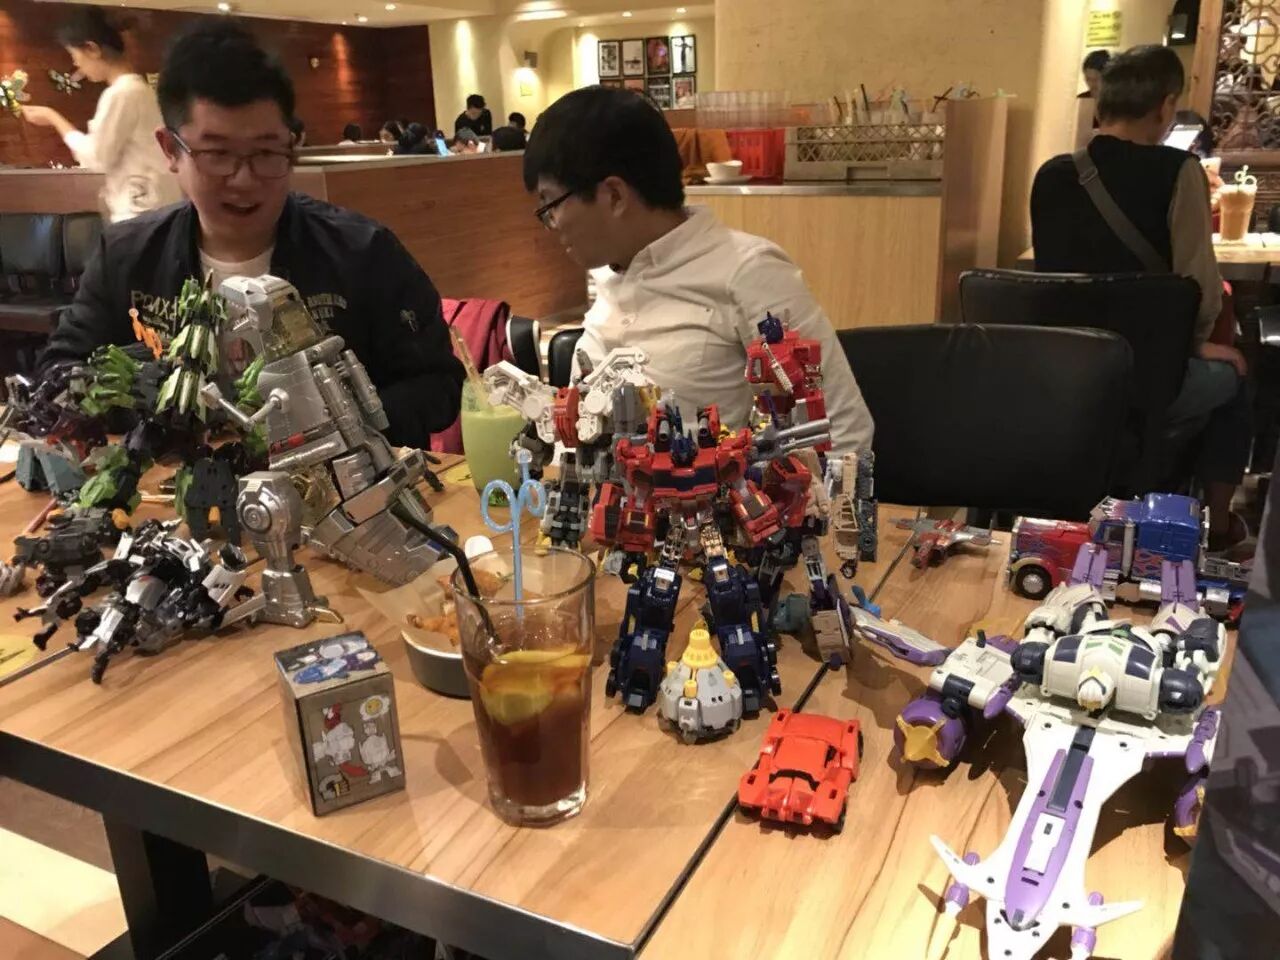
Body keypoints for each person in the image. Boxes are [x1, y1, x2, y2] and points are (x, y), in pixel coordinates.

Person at [37, 19, 463, 449]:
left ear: (291, 145)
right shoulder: (128, 256)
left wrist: (332, 426)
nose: (243, 179)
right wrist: (154, 407)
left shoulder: (363, 252)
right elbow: (61, 368)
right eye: (217, 154)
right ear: (170, 150)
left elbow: (438, 385)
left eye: (266, 152)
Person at [522, 86, 873, 455]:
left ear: (614, 195)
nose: (551, 224)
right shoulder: (607, 273)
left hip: (705, 487)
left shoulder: (748, 272)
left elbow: (843, 432)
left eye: (551, 204)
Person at [1031, 44, 1250, 553]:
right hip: (1148, 383)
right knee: (1237, 378)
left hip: (1063, 377)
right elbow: (1198, 283)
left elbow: (1053, 282)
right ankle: (1219, 526)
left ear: (1102, 102)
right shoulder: (1180, 171)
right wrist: (1197, 344)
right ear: (1166, 105)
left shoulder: (1052, 174)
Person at [20, 9, 179, 222]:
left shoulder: (122, 93)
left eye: (75, 56)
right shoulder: (139, 90)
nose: (76, 64)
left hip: (140, 212)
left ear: (92, 49)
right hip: (154, 209)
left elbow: (96, 157)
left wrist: (53, 118)